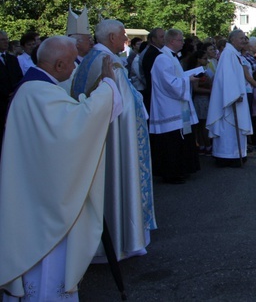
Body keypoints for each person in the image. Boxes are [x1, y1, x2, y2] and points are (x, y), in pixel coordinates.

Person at [0, 36, 122, 300]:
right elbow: (77, 126)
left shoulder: (34, 88)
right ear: (57, 66)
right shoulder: (39, 92)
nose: (73, 69)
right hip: (44, 204)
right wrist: (109, 84)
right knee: (46, 268)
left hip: (34, 191)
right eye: (70, 63)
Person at [70, 19, 156, 261]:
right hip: (114, 140)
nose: (126, 40)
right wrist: (139, 101)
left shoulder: (91, 58)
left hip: (97, 137)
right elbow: (127, 108)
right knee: (115, 184)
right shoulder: (111, 63)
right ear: (111, 39)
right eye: (123, 35)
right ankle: (124, 239)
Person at [149, 28, 200, 184]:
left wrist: (187, 77)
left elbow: (175, 78)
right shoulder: (162, 59)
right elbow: (169, 84)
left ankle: (181, 170)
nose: (183, 43)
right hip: (169, 108)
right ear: (171, 41)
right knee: (171, 143)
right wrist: (188, 80)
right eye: (180, 40)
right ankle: (172, 173)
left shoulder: (171, 57)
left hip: (177, 106)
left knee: (180, 141)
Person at [206, 29, 253, 166]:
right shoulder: (228, 54)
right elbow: (226, 78)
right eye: (241, 38)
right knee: (228, 128)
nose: (244, 40)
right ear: (232, 40)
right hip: (230, 99)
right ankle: (227, 156)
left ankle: (237, 154)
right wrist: (233, 95)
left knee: (234, 130)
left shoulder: (233, 54)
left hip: (236, 96)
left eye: (245, 38)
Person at [0, 30, 23, 159]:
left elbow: (19, 76)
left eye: (6, 39)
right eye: (2, 40)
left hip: (12, 102)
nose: (6, 42)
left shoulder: (12, 59)